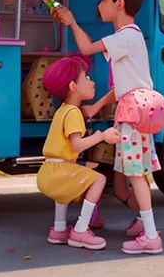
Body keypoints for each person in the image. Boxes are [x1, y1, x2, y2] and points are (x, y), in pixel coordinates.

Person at [52, 0, 164, 255]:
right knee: (123, 182)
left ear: (118, 2)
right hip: (135, 114)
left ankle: (151, 235)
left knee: (136, 177)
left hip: (132, 118)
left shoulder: (123, 36)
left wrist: (71, 22)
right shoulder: (132, 37)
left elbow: (87, 48)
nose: (98, 5)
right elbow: (124, 87)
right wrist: (96, 106)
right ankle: (144, 223)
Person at [36, 55, 122, 250]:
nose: (91, 82)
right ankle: (81, 230)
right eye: (87, 78)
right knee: (98, 179)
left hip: (49, 171)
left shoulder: (63, 110)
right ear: (74, 86)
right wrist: (102, 136)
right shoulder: (73, 112)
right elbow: (77, 145)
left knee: (66, 186)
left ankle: (59, 229)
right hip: (58, 169)